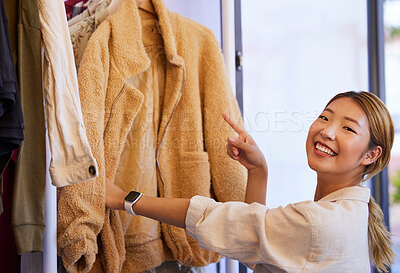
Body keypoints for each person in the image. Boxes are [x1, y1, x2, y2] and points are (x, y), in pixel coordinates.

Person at [105, 91, 395, 272]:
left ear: (371, 154)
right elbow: (259, 250)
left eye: (347, 128)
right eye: (324, 117)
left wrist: (125, 200)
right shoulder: (351, 212)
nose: (327, 131)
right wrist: (259, 171)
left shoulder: (320, 222)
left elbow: (227, 222)